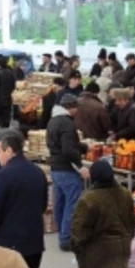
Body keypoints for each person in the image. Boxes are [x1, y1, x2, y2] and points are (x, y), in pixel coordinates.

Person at [0, 131, 49, 268]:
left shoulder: (3, 175)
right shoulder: (38, 172)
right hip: (34, 243)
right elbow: (43, 205)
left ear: (9, 151)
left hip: (9, 243)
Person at [47, 96, 89, 253]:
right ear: (70, 107)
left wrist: (82, 147)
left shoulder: (53, 121)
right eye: (76, 107)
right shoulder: (67, 123)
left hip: (55, 168)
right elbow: (68, 150)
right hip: (67, 169)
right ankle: (66, 239)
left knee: (61, 202)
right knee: (72, 203)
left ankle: (61, 234)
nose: (77, 110)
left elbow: (63, 145)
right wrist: (80, 167)